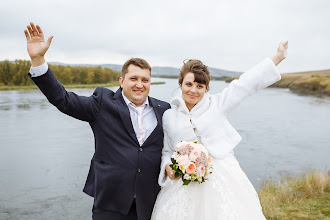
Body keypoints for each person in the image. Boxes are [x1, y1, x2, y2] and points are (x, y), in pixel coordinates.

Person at [24, 22, 170, 220]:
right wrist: (39, 60)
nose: (139, 84)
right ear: (122, 81)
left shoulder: (164, 109)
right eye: (134, 78)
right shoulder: (102, 103)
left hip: (150, 205)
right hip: (110, 204)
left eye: (145, 80)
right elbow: (63, 99)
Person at [151, 42, 288, 219]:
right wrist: (168, 167)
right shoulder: (169, 116)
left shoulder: (217, 104)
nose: (193, 90)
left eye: (200, 86)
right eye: (189, 84)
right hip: (183, 182)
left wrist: (277, 57)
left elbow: (245, 84)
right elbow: (167, 151)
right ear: (181, 84)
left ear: (206, 88)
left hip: (223, 177)